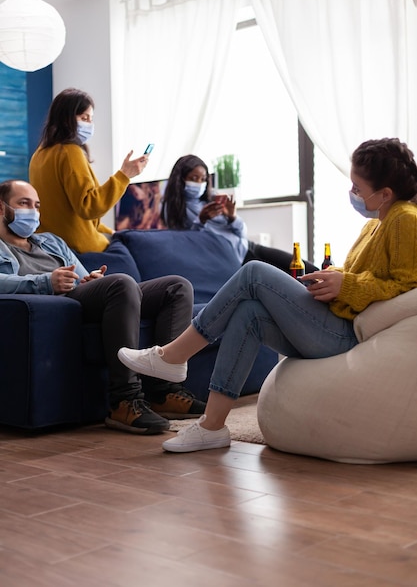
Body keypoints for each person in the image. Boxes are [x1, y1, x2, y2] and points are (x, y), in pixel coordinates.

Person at [119, 138, 417, 452]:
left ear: (384, 194)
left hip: (344, 334)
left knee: (253, 272)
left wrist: (347, 286)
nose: (352, 193)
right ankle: (212, 426)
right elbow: (369, 274)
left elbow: (406, 285)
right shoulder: (376, 224)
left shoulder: (405, 220)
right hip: (335, 321)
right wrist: (336, 278)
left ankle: (174, 356)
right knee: (248, 313)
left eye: (357, 188)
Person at [0, 179, 206, 431]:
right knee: (122, 283)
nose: (32, 211)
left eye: (37, 205)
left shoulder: (52, 242)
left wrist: (92, 279)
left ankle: (164, 392)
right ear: (2, 208)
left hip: (79, 297)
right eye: (23, 203)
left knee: (176, 287)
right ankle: (123, 400)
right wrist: (45, 282)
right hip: (57, 305)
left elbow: (85, 276)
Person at [29, 87, 148, 253]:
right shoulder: (70, 152)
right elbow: (89, 207)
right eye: (84, 118)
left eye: (91, 119)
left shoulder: (39, 154)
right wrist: (124, 175)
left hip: (52, 244)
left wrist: (109, 232)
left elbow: (70, 213)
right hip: (77, 248)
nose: (89, 124)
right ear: (65, 119)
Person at [160, 154, 318, 274]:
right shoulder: (173, 209)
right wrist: (201, 221)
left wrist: (232, 217)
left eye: (203, 179)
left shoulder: (210, 199)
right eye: (194, 178)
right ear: (180, 179)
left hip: (248, 246)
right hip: (235, 259)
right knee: (291, 277)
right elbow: (187, 244)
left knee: (309, 269)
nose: (200, 184)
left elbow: (240, 231)